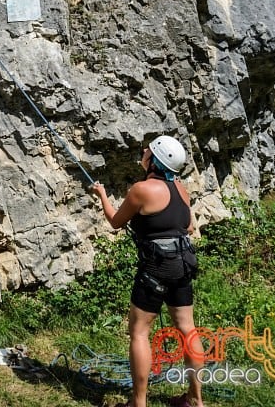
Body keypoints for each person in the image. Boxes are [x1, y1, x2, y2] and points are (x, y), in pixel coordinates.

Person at [91, 136, 204, 407]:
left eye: (148, 151)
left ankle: (138, 404)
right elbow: (187, 227)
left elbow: (116, 222)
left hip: (155, 267)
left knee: (139, 332)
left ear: (154, 160)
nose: (144, 152)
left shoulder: (142, 190)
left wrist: (102, 194)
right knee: (188, 329)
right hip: (183, 263)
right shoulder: (181, 189)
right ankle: (195, 401)